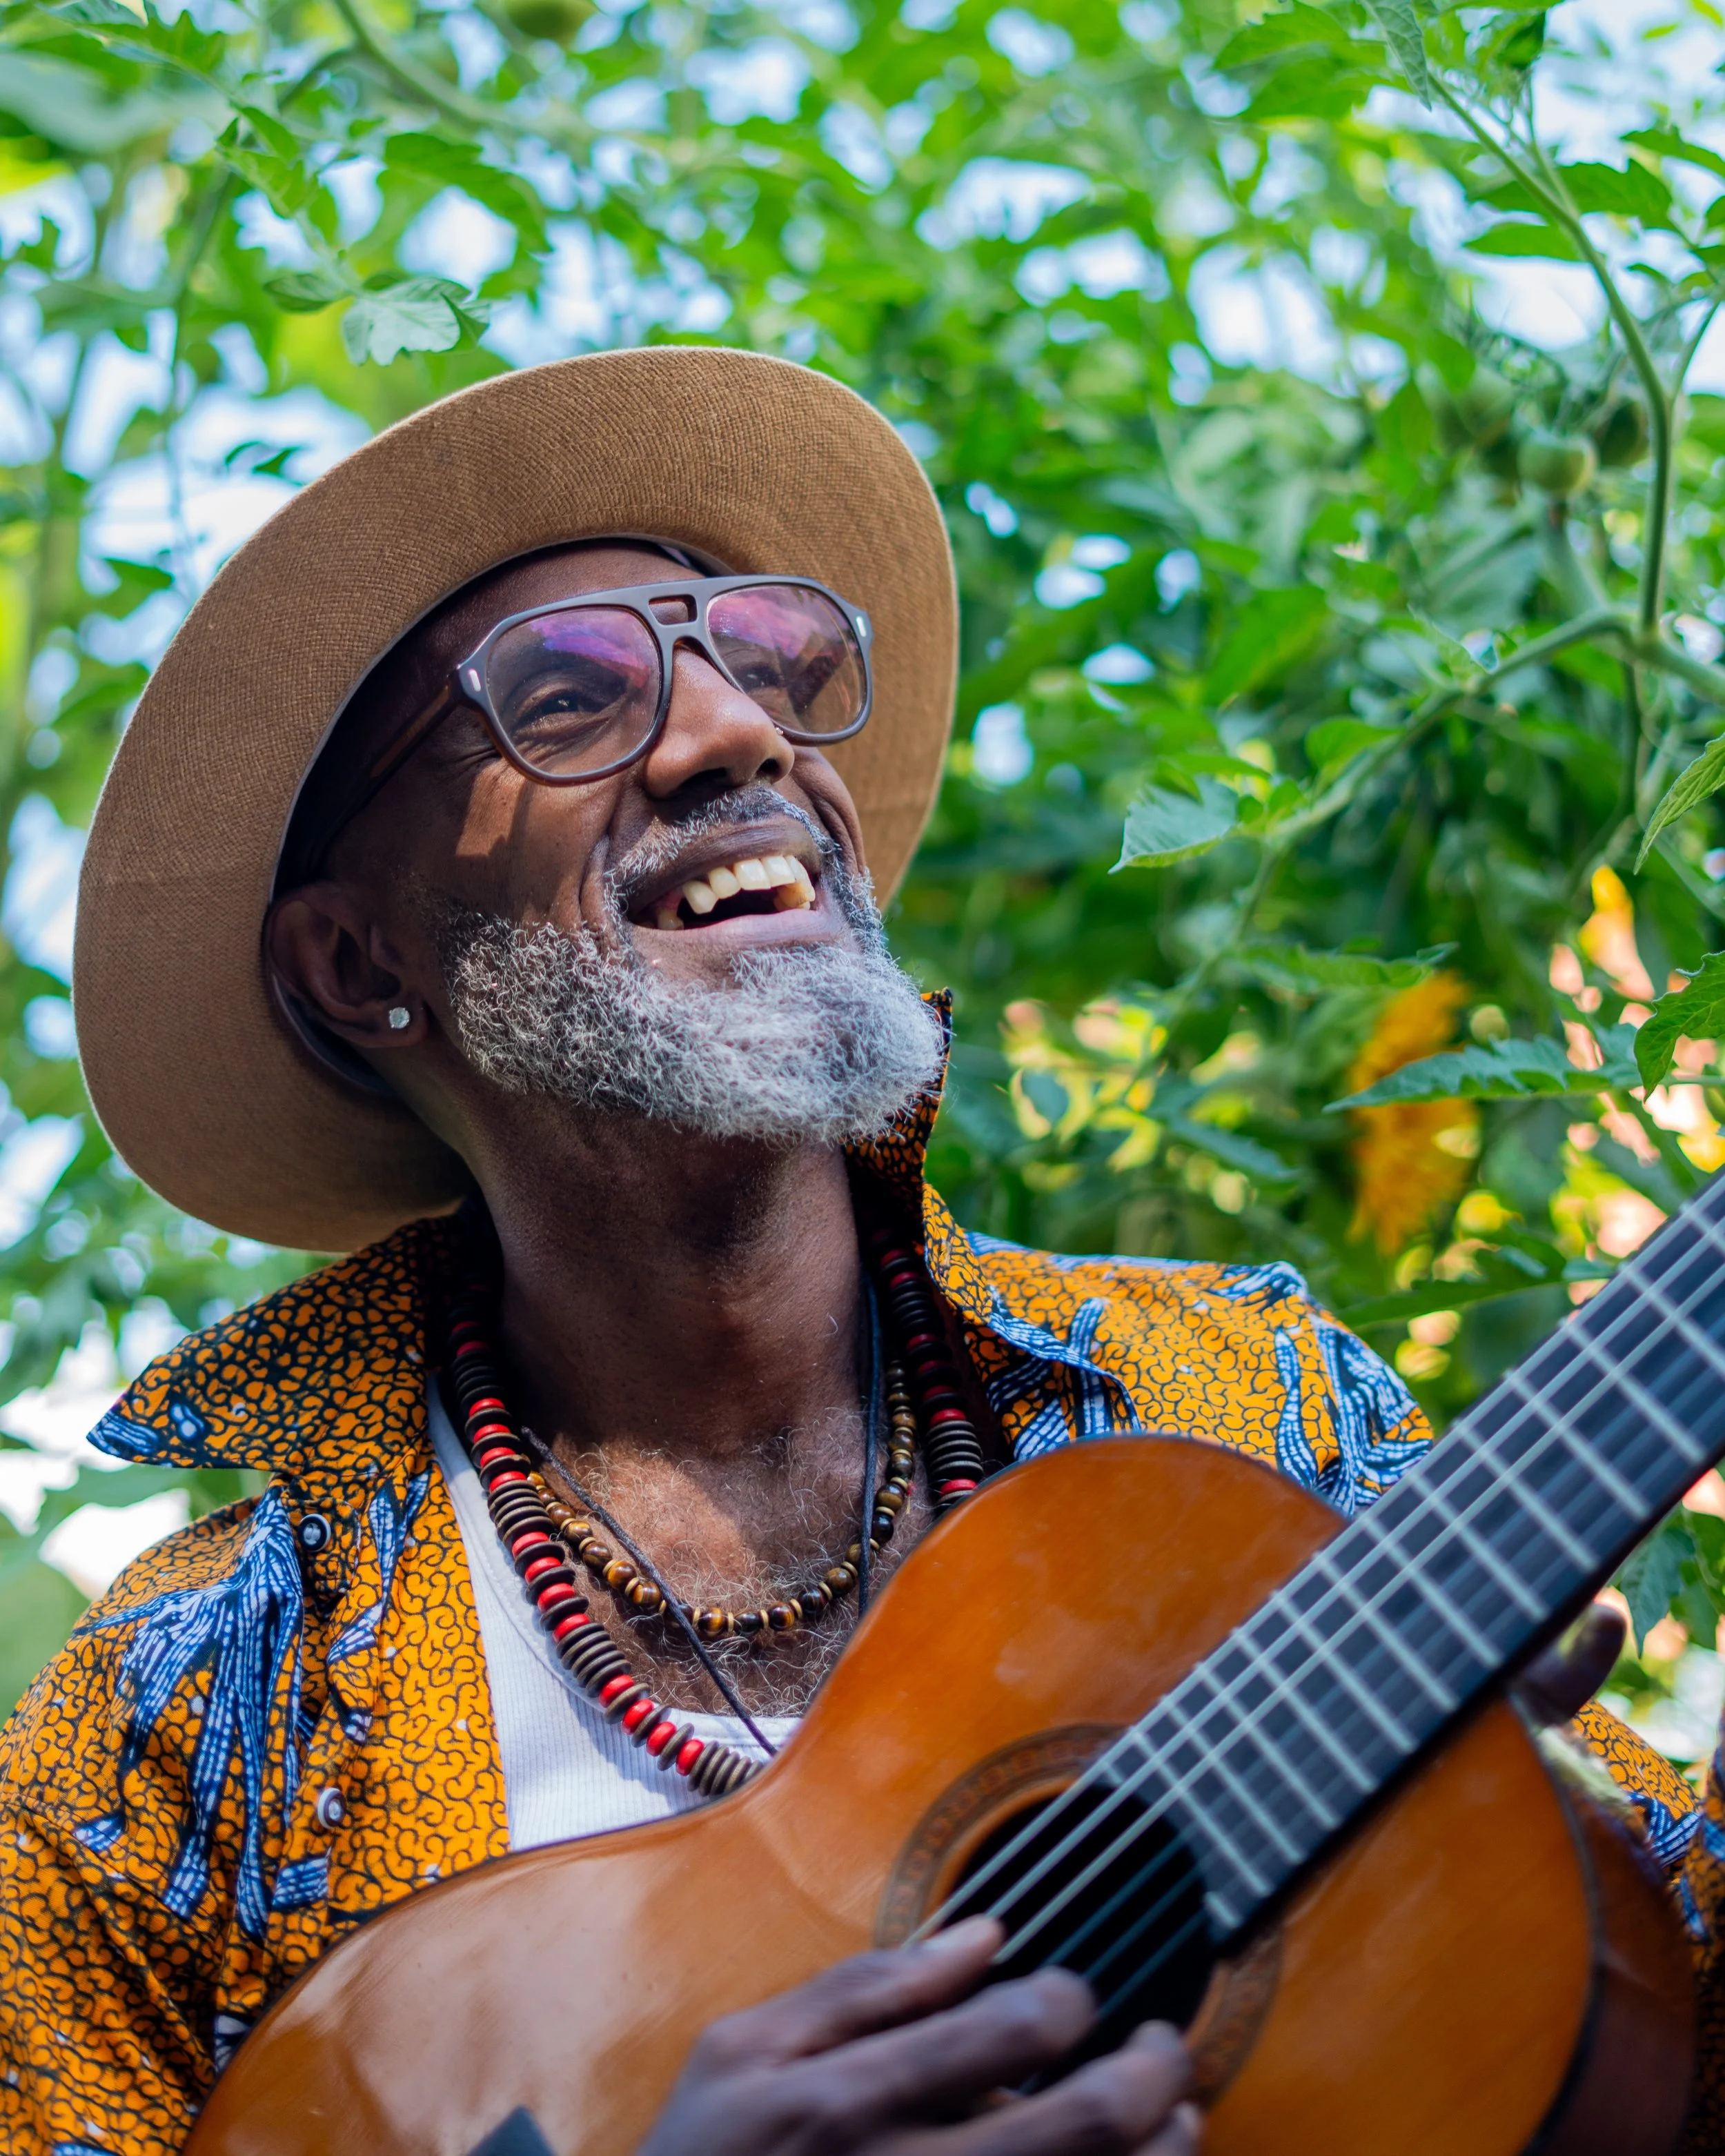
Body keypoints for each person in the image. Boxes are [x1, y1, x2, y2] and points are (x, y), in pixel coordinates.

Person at [0, 348, 1715, 2155]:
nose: (738, 728)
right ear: (359, 966)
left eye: (761, 656)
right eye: (570, 696)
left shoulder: (1250, 1410)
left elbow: (1668, 2030)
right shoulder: (183, 1721)